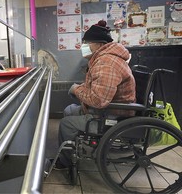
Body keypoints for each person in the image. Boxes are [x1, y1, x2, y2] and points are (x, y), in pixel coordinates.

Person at [56, 20, 136, 169]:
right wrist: (80, 89)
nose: (84, 46)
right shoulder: (104, 58)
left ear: (99, 45)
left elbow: (99, 100)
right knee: (69, 110)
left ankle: (66, 162)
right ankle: (72, 148)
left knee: (66, 124)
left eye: (87, 43)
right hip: (106, 110)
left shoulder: (106, 63)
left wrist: (76, 90)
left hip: (110, 116)